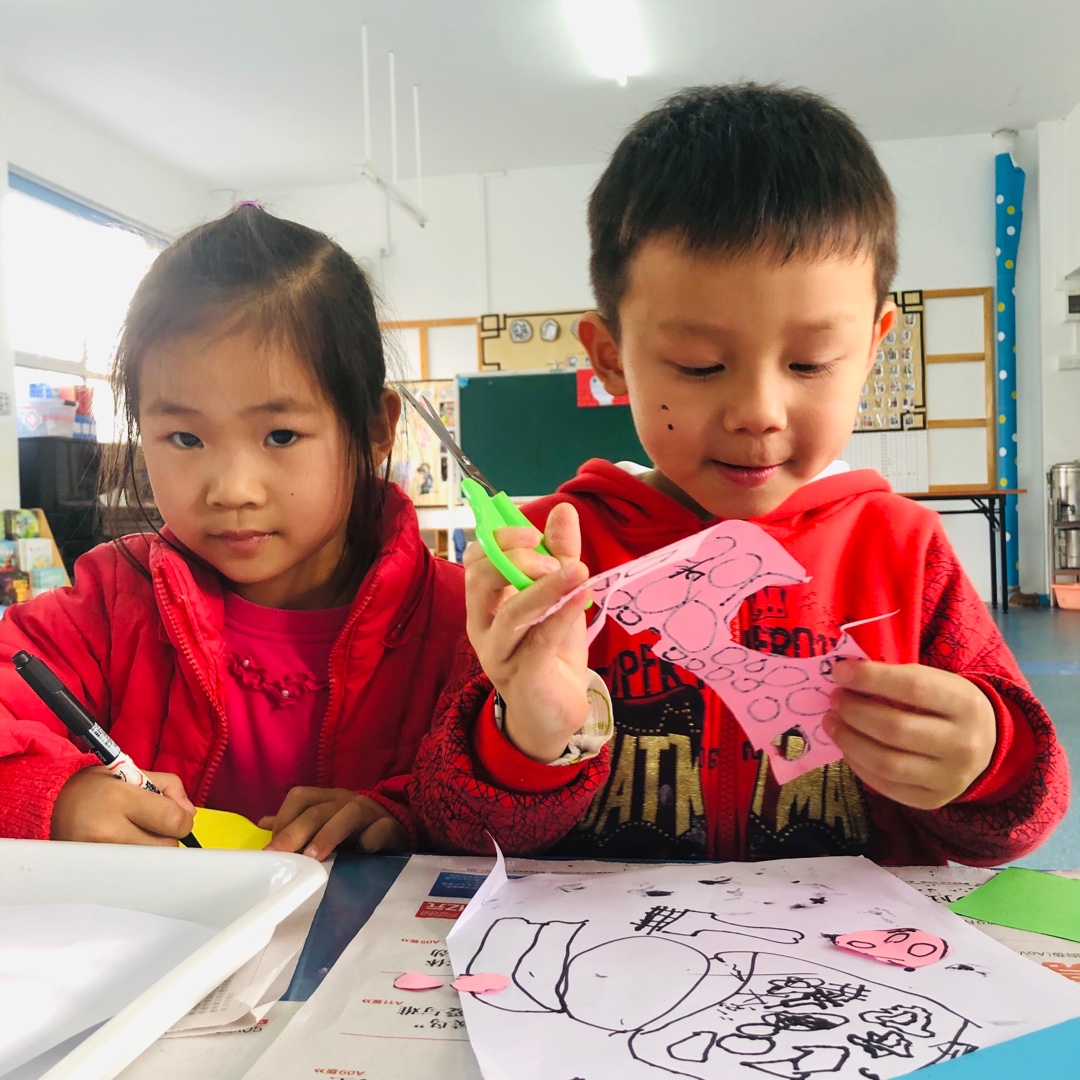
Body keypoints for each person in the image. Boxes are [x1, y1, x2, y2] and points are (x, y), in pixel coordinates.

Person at [411, 84, 1068, 866]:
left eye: (810, 363)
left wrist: (986, 760)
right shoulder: (550, 561)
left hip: (858, 943)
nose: (759, 412)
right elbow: (450, 827)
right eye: (699, 365)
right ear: (611, 358)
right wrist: (529, 735)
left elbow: (1026, 817)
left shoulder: (905, 551)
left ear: (871, 348)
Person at [0, 204, 464, 860]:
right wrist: (56, 798)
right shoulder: (109, 603)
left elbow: (519, 805)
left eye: (282, 435)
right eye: (185, 438)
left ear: (373, 430)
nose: (232, 489)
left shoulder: (462, 619)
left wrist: (402, 813)